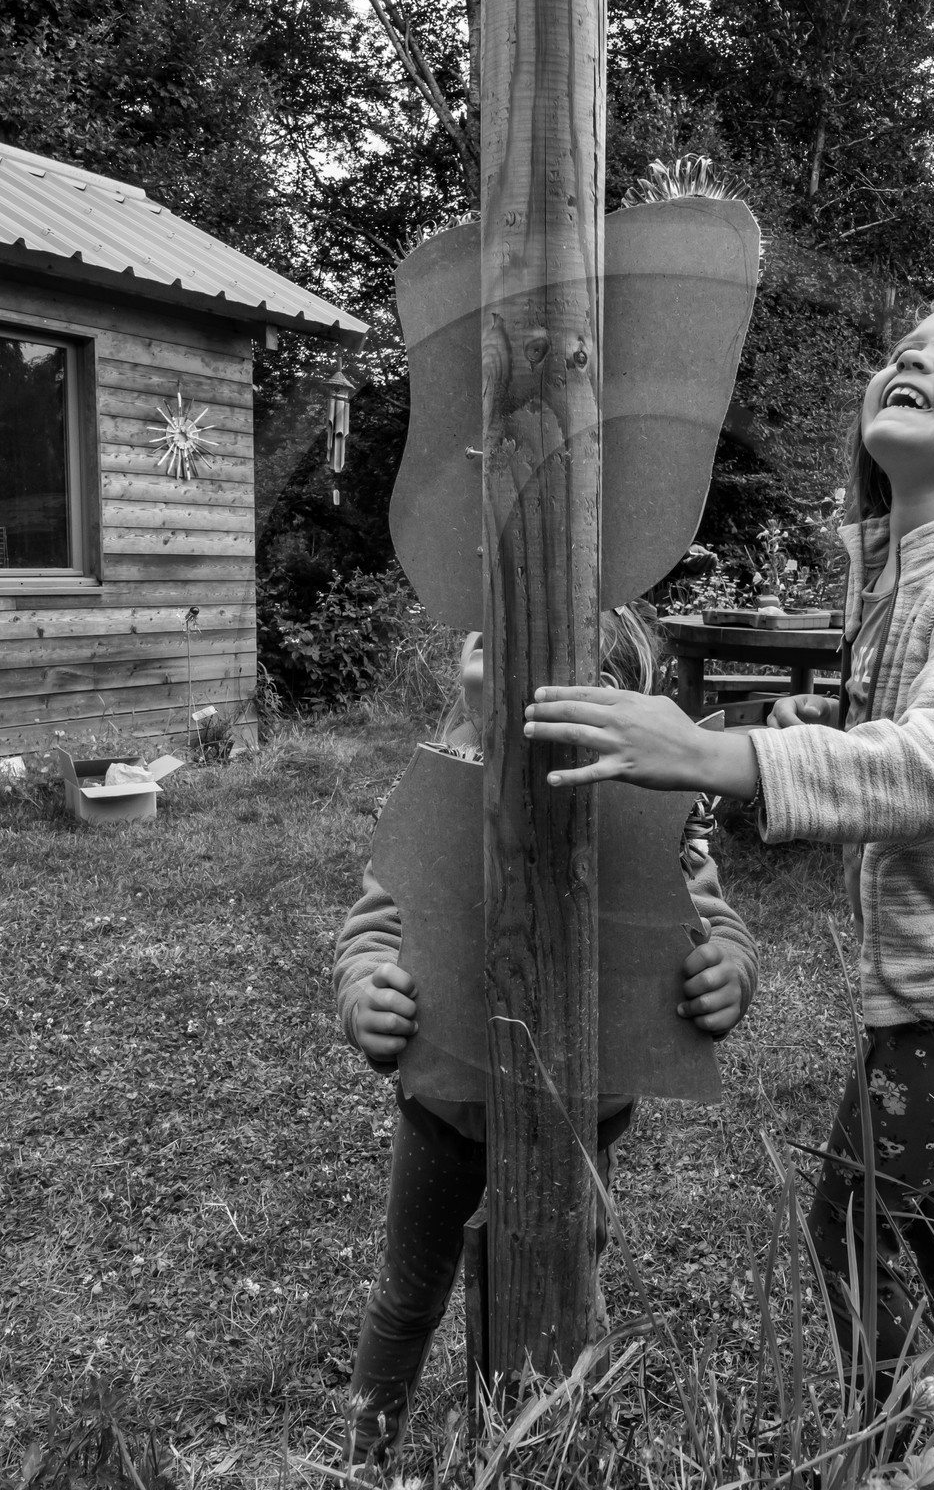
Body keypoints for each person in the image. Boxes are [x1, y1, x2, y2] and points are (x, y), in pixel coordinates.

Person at [523, 281, 934, 1401]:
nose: (916, 356)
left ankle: (904, 1439)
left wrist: (720, 757)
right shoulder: (908, 566)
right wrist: (830, 727)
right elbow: (903, 735)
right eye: (906, 344)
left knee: (853, 1211)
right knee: (916, 1193)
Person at [333, 604, 759, 1470]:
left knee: (565, 1288)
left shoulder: (638, 801)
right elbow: (376, 925)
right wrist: (364, 996)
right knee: (409, 1297)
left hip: (580, 1118)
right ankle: (365, 1458)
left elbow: (709, 918)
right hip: (445, 1111)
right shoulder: (442, 776)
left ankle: (556, 1448)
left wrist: (726, 973)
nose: (505, 650)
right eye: (490, 631)